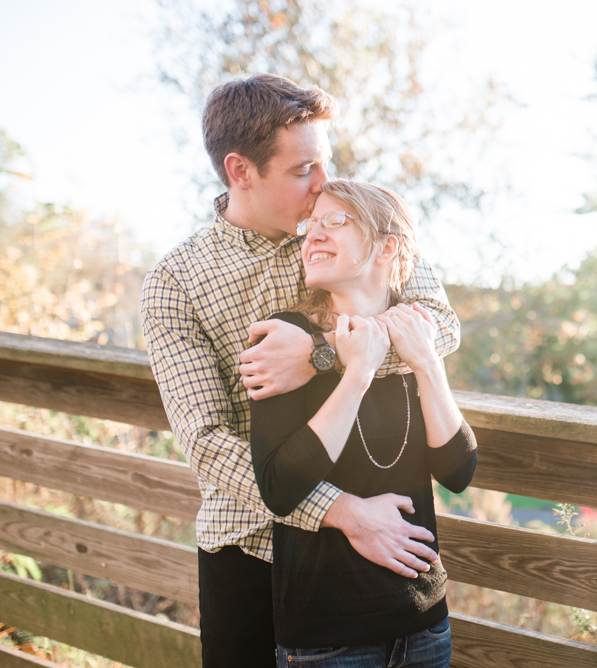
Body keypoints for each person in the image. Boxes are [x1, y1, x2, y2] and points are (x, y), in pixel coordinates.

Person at [139, 74, 461, 668]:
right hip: (250, 550)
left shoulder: (350, 224)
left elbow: (438, 326)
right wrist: (340, 511)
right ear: (241, 171)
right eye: (301, 170)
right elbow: (206, 442)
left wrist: (321, 353)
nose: (322, 187)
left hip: (371, 563)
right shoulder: (175, 281)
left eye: (325, 163)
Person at [250, 179, 476, 667]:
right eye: (310, 227)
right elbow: (279, 487)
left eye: (335, 222)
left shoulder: (413, 332)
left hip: (424, 624)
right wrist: (355, 372)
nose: (312, 236)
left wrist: (427, 364)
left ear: (387, 246)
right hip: (328, 639)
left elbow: (458, 471)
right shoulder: (286, 342)